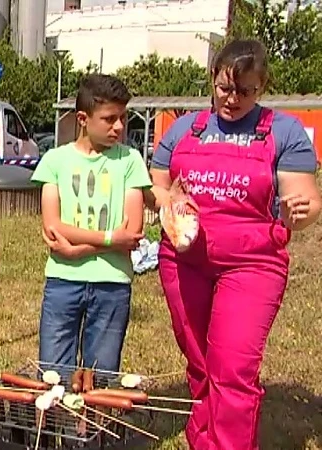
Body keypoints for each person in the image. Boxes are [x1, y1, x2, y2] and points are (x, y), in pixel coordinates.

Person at [149, 38, 321, 449]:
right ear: (213, 78)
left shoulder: (283, 131)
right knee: (200, 363)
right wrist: (169, 198)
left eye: (247, 91)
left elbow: (307, 200)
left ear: (262, 87)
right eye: (226, 88)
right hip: (184, 259)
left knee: (233, 367)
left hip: (252, 265)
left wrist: (303, 211)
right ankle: (203, 437)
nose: (233, 99)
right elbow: (155, 184)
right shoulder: (185, 127)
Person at [32, 74, 151, 374]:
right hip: (63, 282)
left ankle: (94, 423)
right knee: (53, 374)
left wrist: (75, 250)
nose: (120, 127)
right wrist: (111, 240)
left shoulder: (131, 161)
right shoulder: (55, 161)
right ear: (83, 118)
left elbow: (133, 231)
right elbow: (54, 226)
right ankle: (57, 423)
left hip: (112, 284)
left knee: (102, 375)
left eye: (123, 117)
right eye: (109, 119)